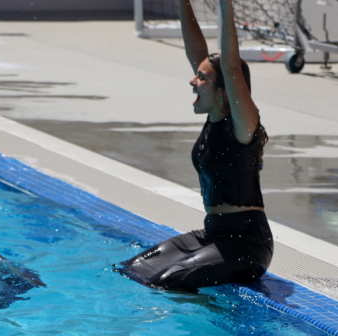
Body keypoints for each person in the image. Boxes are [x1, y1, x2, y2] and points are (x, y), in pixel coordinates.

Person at [117, 0, 273, 292]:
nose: (193, 80)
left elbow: (229, 64)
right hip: (211, 233)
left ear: (223, 89)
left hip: (247, 243)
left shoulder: (243, 124)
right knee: (133, 268)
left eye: (201, 78)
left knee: (169, 281)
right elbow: (196, 51)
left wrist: (224, 5)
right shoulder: (214, 116)